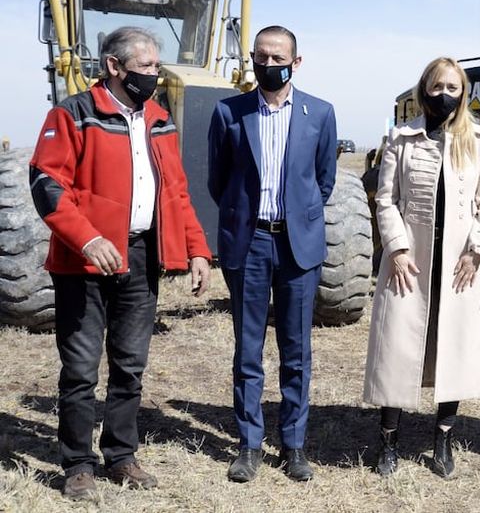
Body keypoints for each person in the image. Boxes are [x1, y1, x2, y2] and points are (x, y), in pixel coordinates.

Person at [29, 26, 212, 501]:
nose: (155, 74)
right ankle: (77, 465)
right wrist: (87, 239)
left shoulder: (158, 118)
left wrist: (196, 249)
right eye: (147, 66)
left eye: (155, 65)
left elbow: (175, 191)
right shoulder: (74, 113)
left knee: (130, 365)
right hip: (84, 260)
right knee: (82, 367)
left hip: (140, 256)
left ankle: (120, 456)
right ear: (114, 67)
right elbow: (47, 184)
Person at [207, 25, 337, 483]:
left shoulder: (319, 113)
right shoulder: (230, 112)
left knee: (296, 349)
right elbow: (218, 182)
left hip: (297, 246)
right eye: (260, 56)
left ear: (296, 62)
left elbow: (323, 182)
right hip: (250, 242)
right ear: (252, 60)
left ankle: (295, 444)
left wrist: (298, 220)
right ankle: (249, 445)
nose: (268, 63)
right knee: (248, 348)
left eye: (277, 56)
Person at [363, 57, 480, 479]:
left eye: (452, 88)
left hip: (460, 265)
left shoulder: (477, 138)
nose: (445, 95)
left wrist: (478, 248)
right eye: (437, 87)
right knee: (397, 347)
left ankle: (443, 438)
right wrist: (397, 249)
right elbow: (386, 199)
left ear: (463, 93)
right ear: (425, 91)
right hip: (410, 263)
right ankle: (389, 440)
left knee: (451, 348)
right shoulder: (402, 138)